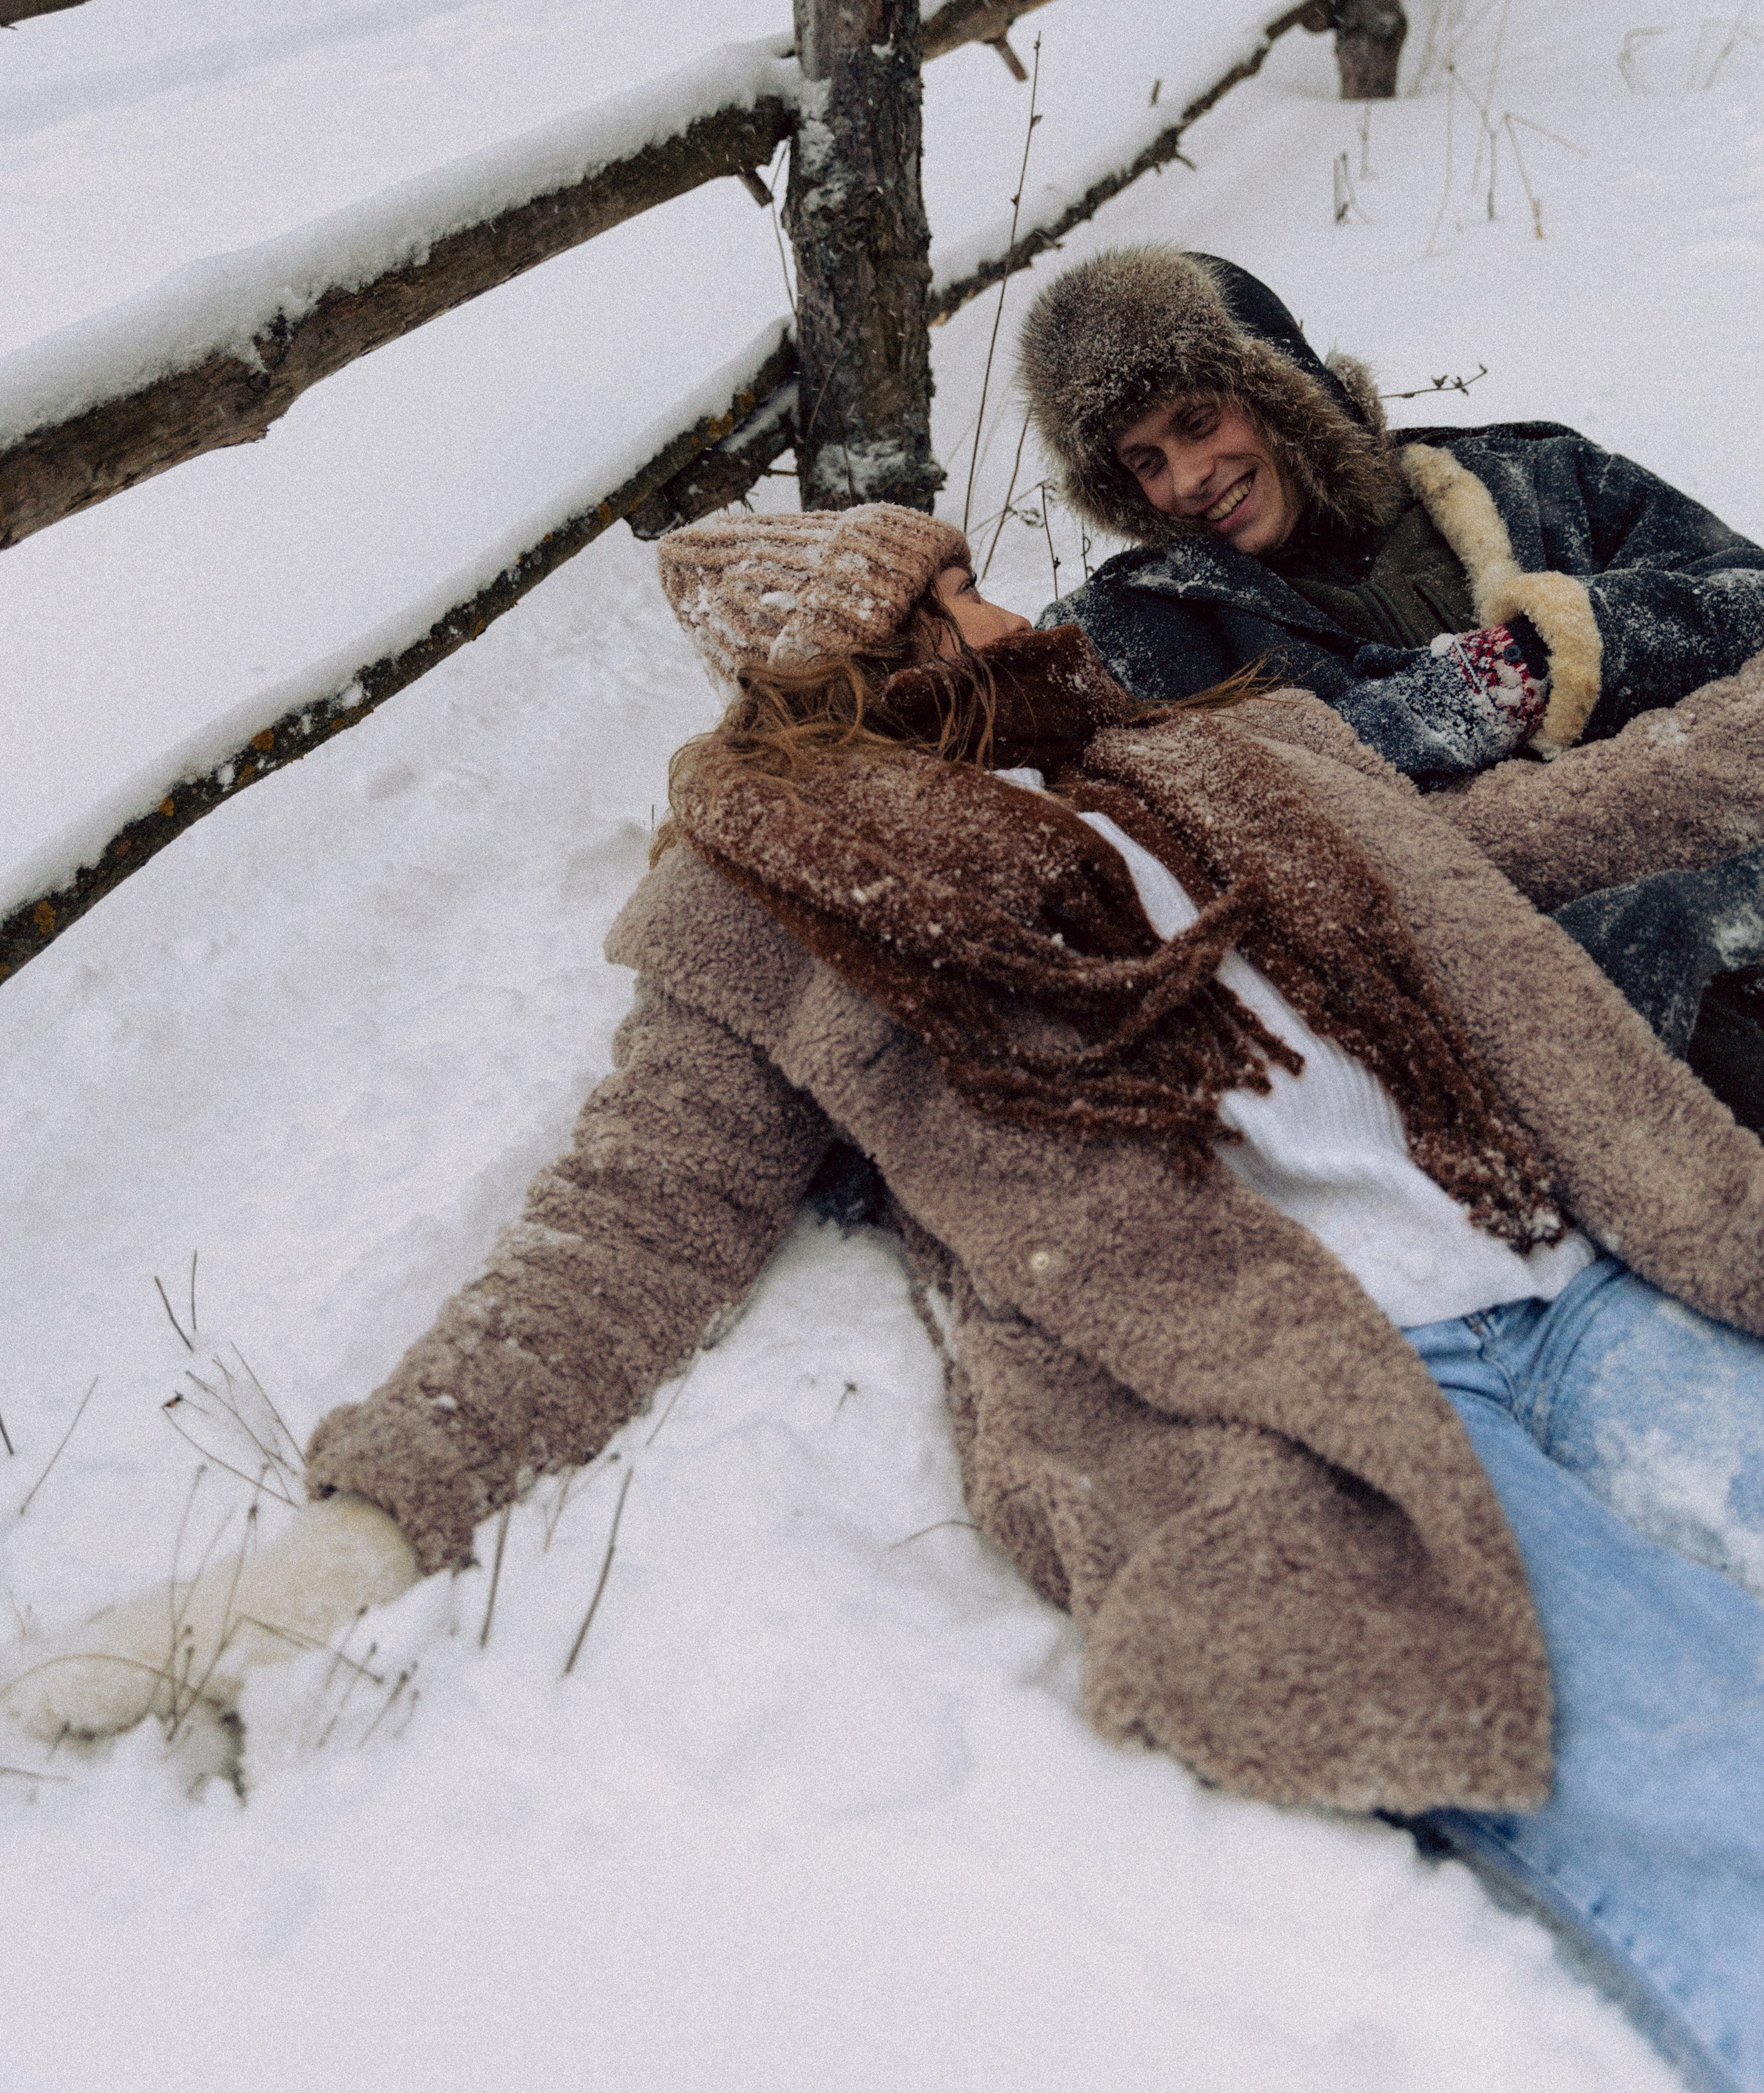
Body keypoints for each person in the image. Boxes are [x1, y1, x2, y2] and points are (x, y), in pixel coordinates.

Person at [10, 502, 1764, 2091]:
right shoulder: (771, 911)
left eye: (973, 582)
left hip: (1576, 1263)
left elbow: (1530, 836)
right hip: (1314, 1391)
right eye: (942, 609)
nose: (1005, 623)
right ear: (839, 680)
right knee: (1700, 1757)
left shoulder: (1225, 760)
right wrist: (372, 1522)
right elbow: (638, 1211)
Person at [1019, 241, 1764, 1126]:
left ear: (1275, 384)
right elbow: (1250, 806)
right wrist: (1475, 693)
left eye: (1197, 420)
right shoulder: (1141, 627)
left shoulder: (1535, 477)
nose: (1184, 480)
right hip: (1546, 999)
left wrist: (1558, 650)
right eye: (1143, 461)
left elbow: (1744, 601)